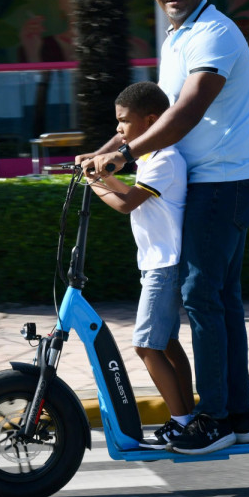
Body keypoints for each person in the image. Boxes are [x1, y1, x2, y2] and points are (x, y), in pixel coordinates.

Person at [82, 0, 249, 455]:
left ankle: (213, 420)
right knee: (222, 302)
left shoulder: (216, 34)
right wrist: (101, 152)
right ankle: (239, 417)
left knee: (202, 296)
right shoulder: (177, 38)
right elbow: (153, 119)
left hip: (224, 183)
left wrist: (123, 157)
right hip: (211, 182)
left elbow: (185, 113)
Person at [86, 80, 195, 447]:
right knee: (166, 345)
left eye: (123, 122)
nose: (118, 130)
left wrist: (94, 182)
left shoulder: (166, 160)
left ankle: (182, 421)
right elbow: (129, 193)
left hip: (165, 265)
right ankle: (188, 417)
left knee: (146, 345)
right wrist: (101, 173)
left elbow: (125, 203)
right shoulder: (151, 158)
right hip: (156, 262)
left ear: (151, 120)